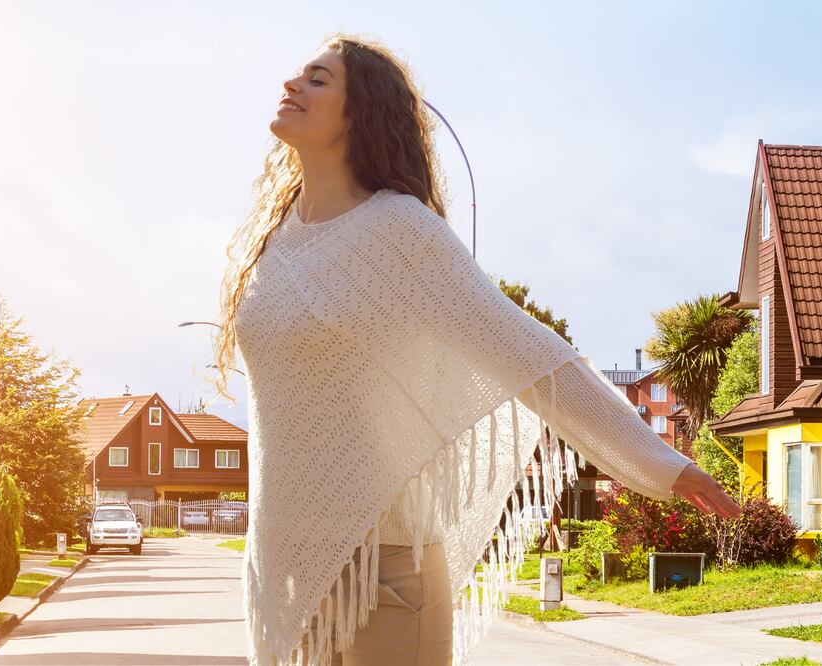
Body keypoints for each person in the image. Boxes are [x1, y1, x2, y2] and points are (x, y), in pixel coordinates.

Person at [214, 32, 741, 666]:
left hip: (386, 572)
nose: (292, 84)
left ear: (362, 113)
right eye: (298, 74)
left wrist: (657, 461)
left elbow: (529, 353)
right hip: (285, 566)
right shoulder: (271, 242)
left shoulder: (401, 230)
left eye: (319, 79)